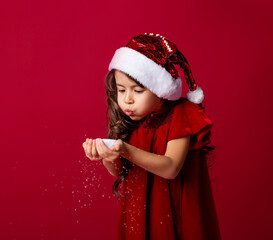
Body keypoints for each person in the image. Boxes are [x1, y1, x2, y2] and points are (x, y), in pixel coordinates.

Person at [82, 33, 221, 240]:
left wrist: (126, 150)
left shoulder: (181, 115)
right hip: (140, 209)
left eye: (138, 91)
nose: (127, 99)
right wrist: (108, 157)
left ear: (160, 90)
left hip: (175, 209)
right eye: (121, 90)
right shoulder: (128, 121)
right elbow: (119, 170)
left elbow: (171, 167)